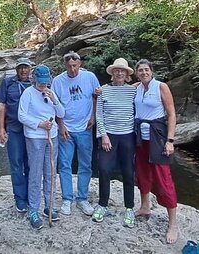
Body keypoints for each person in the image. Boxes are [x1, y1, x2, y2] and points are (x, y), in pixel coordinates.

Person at [133, 59, 179, 244]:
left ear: (151, 71)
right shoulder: (136, 87)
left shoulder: (161, 87)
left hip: (158, 136)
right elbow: (117, 88)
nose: (144, 72)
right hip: (140, 137)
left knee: (163, 177)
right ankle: (145, 207)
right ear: (136, 73)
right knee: (142, 173)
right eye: (140, 70)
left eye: (146, 70)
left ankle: (173, 223)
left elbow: (171, 114)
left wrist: (170, 141)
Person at [52, 51, 100, 216]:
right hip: (66, 129)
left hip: (85, 128)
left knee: (85, 164)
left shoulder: (90, 77)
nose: (72, 69)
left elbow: (96, 97)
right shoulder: (58, 81)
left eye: (75, 65)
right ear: (65, 66)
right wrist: (61, 126)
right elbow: (54, 105)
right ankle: (67, 199)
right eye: (69, 66)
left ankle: (82, 199)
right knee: (64, 164)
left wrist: (93, 116)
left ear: (80, 63)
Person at [18, 64, 65, 230]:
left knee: (51, 172)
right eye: (41, 82)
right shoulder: (28, 93)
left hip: (52, 136)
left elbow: (61, 114)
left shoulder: (51, 92)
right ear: (34, 80)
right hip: (35, 138)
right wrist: (39, 124)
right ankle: (34, 210)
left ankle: (49, 206)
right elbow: (21, 115)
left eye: (46, 82)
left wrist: (54, 99)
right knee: (35, 173)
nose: (43, 85)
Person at [92, 58, 137, 228]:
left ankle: (129, 208)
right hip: (108, 136)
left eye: (122, 71)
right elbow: (99, 115)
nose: (119, 73)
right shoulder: (103, 90)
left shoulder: (132, 91)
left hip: (127, 136)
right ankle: (103, 204)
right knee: (104, 169)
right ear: (112, 73)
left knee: (128, 171)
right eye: (117, 70)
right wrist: (103, 136)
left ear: (127, 74)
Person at [0, 57, 33, 213]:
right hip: (14, 129)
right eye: (20, 67)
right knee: (16, 164)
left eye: (26, 67)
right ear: (16, 69)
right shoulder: (7, 82)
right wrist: (1, 128)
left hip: (32, 130)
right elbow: (2, 105)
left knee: (31, 164)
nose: (23, 70)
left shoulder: (34, 83)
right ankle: (20, 199)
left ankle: (32, 195)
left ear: (30, 69)